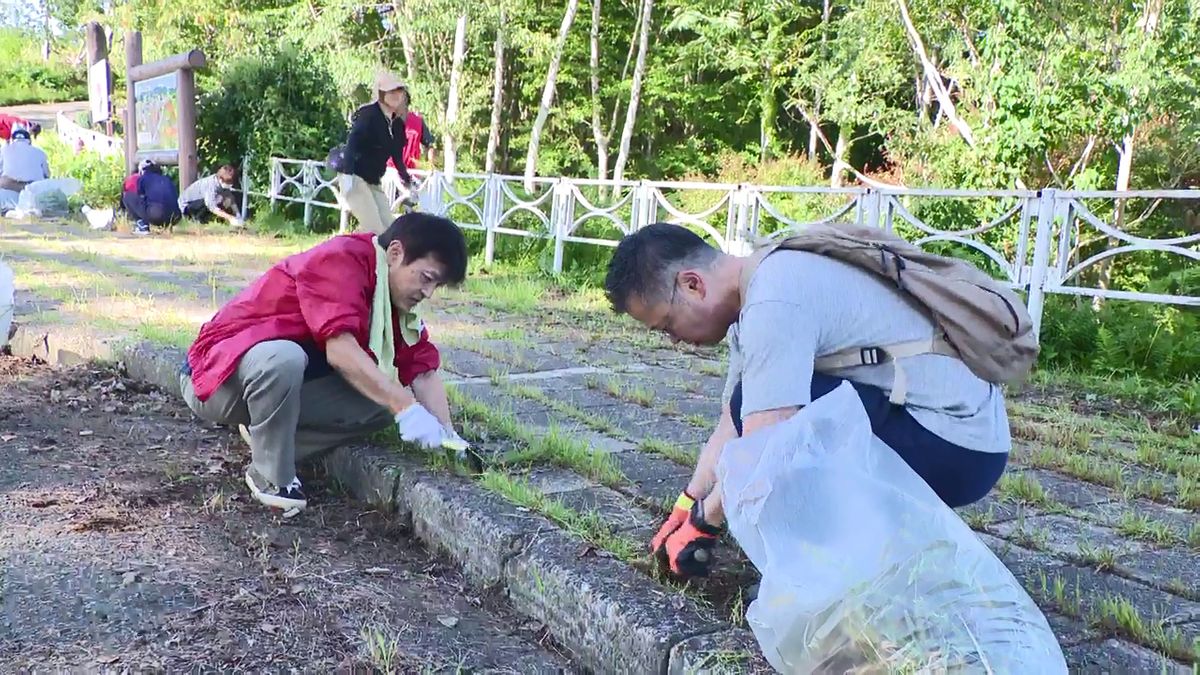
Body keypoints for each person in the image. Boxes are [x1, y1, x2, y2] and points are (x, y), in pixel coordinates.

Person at [604, 223, 1012, 577]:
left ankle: (849, 572)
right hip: (934, 431)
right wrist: (686, 504)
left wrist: (705, 523)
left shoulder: (774, 298)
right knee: (757, 405)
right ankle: (863, 546)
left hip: (960, 449)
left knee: (791, 436)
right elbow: (734, 424)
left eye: (667, 325)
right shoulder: (756, 291)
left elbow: (766, 448)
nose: (675, 341)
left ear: (692, 284)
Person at [180, 212, 470, 512]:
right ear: (396, 253)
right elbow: (340, 350)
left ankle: (268, 437)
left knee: (380, 404)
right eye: (426, 279)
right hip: (217, 379)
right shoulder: (340, 261)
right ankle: (270, 474)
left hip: (275, 384)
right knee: (285, 358)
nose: (428, 293)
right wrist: (406, 407)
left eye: (436, 286)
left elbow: (422, 370)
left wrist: (448, 435)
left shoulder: (392, 299)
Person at [336, 71, 417, 234]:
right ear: (381, 94)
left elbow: (397, 157)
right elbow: (352, 143)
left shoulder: (397, 125)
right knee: (376, 231)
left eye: (399, 91)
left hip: (373, 181)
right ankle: (375, 258)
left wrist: (408, 181)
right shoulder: (368, 114)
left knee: (390, 231)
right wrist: (347, 175)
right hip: (355, 178)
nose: (396, 95)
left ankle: (357, 254)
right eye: (391, 91)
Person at [122, 159, 181, 235]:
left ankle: (142, 226)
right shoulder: (167, 179)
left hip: (157, 214)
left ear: (142, 170)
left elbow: (140, 196)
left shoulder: (143, 178)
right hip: (176, 217)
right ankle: (167, 227)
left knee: (128, 196)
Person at [178, 164, 243, 227]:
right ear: (220, 180)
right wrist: (230, 218)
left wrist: (238, 215)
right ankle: (196, 220)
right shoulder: (210, 185)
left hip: (202, 203)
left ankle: (209, 219)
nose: (230, 185)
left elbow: (230, 198)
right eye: (228, 183)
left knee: (225, 199)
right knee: (218, 199)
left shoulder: (221, 184)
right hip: (187, 206)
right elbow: (211, 206)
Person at [0, 128, 50, 192]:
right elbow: (47, 174)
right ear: (29, 140)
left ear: (12, 140)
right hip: (34, 186)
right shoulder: (40, 152)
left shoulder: (4, 149)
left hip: (10, 185)